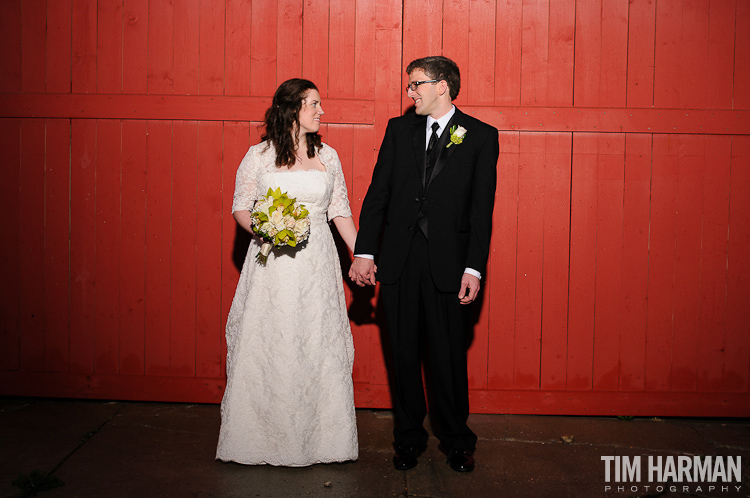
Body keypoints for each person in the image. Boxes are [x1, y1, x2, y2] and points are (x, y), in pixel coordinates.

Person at [349, 56, 498, 473]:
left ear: (442, 87)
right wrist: (365, 251)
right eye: (410, 85)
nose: (410, 92)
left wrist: (474, 268)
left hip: (449, 265)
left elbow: (481, 210)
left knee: (448, 355)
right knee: (403, 355)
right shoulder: (399, 131)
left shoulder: (482, 136)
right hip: (399, 262)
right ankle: (408, 438)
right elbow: (378, 192)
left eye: (416, 84)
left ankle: (456, 440)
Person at [216, 78, 359, 466]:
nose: (321, 111)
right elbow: (241, 207)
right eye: (313, 104)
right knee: (273, 338)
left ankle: (323, 441)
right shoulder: (259, 155)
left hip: (317, 265)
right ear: (290, 108)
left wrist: (361, 254)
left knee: (316, 340)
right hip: (272, 264)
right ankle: (261, 438)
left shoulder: (328, 156)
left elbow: (339, 210)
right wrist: (268, 229)